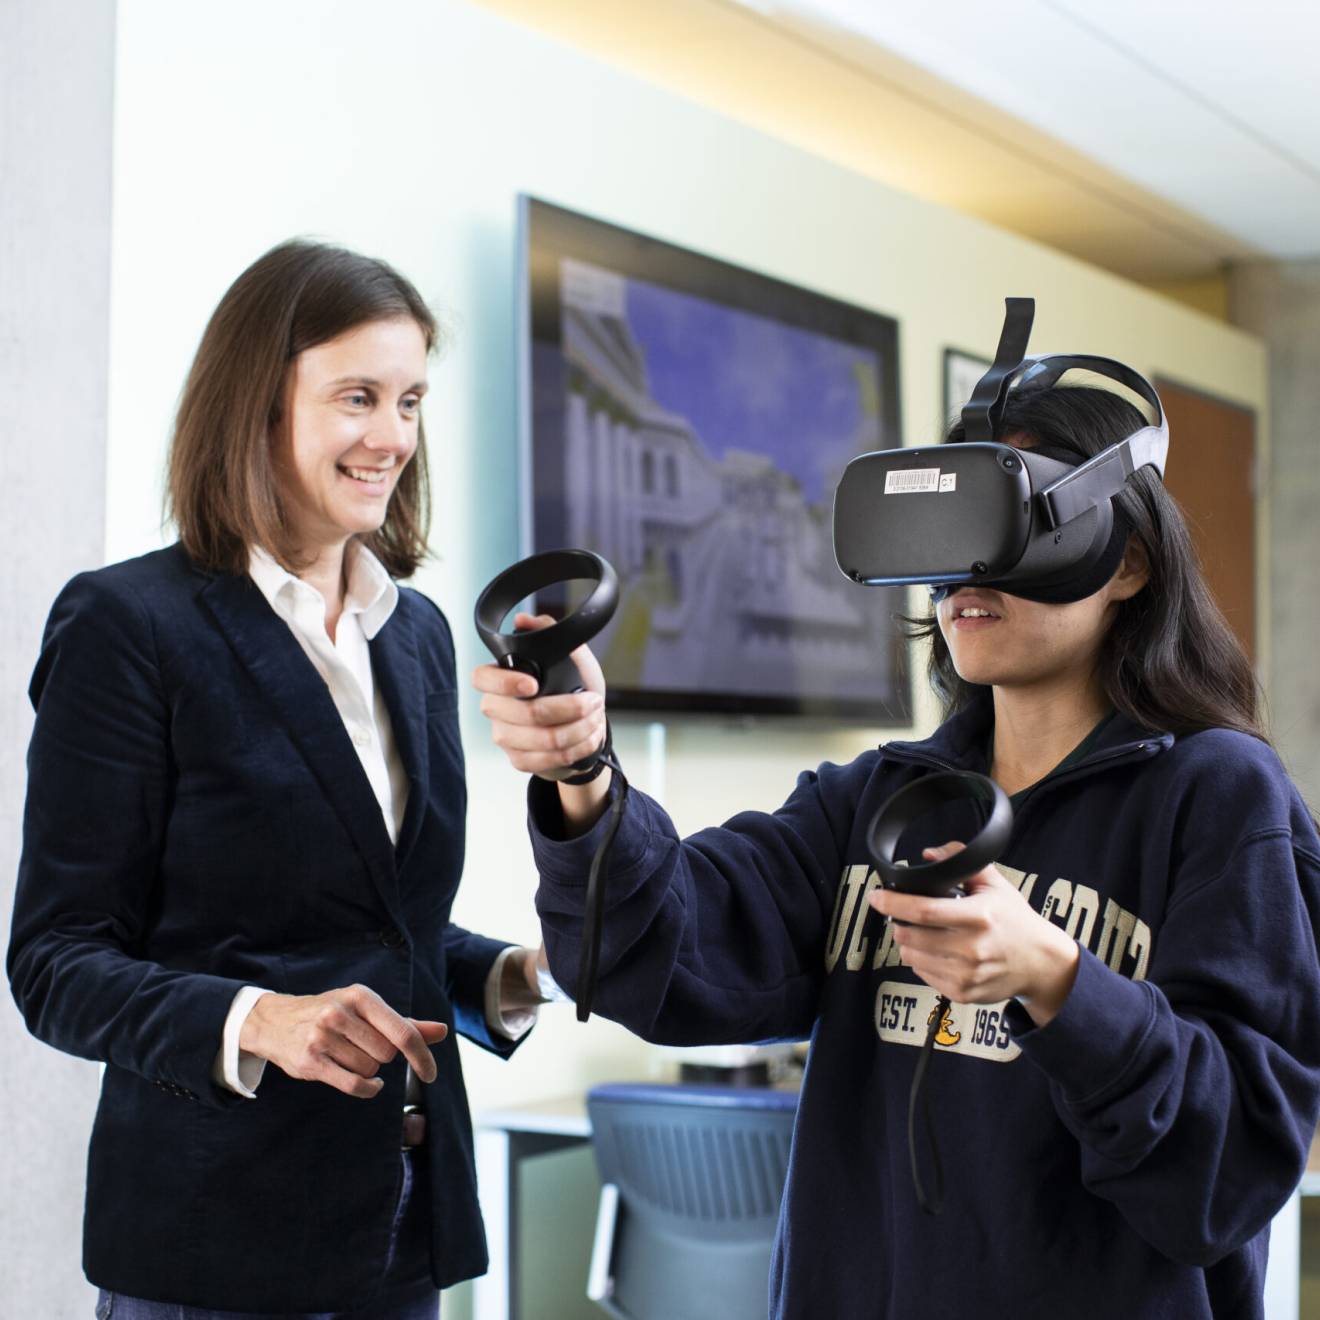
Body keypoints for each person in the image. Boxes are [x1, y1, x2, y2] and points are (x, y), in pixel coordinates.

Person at [474, 378, 1320, 1319]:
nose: (961, 574)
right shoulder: (878, 803)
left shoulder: (1221, 798)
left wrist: (1059, 980)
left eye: (1002, 525)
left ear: (1125, 563)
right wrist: (583, 772)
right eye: (940, 537)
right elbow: (651, 958)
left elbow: (1234, 1170)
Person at [8, 239, 552, 1319]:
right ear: (258, 403)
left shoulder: (418, 634)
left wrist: (507, 975)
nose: (393, 437)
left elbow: (372, 923)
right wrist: (259, 1020)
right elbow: (55, 963)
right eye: (359, 397)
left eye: (410, 401)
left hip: (401, 1230)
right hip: (214, 1243)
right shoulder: (131, 626)